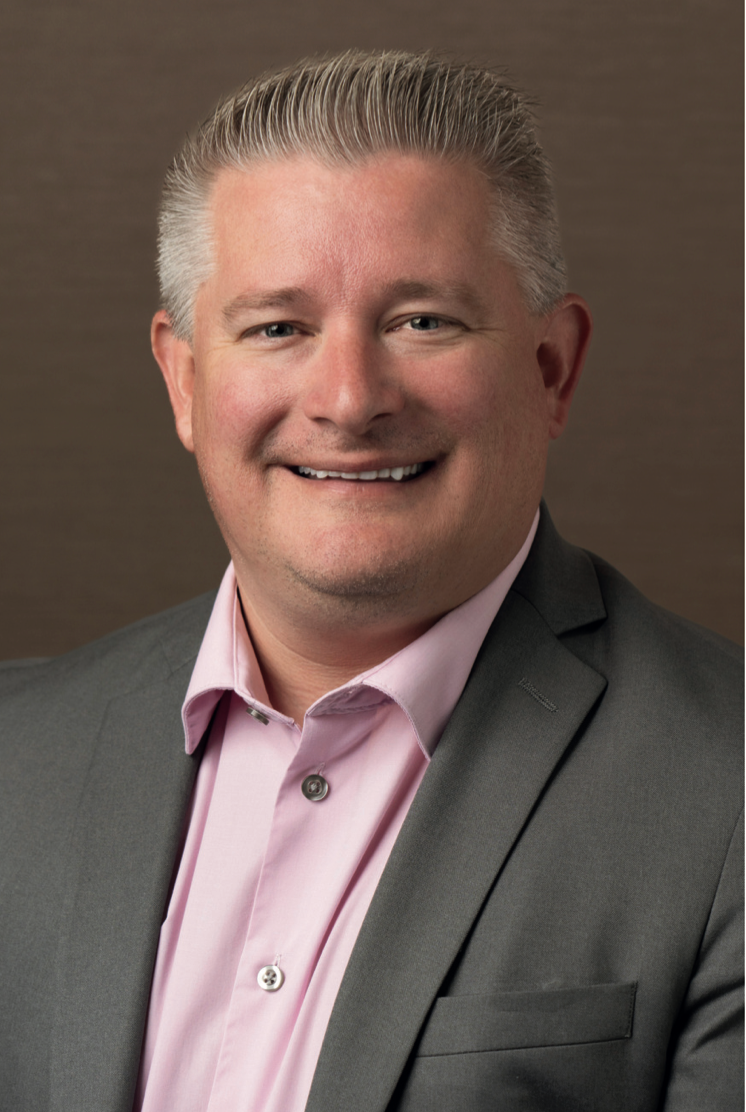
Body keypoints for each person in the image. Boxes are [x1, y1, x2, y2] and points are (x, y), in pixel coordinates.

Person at [0, 50, 741, 1112]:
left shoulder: (724, 795)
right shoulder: (15, 761)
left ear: (550, 369)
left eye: (421, 321)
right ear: (185, 381)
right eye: (278, 327)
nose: (349, 400)